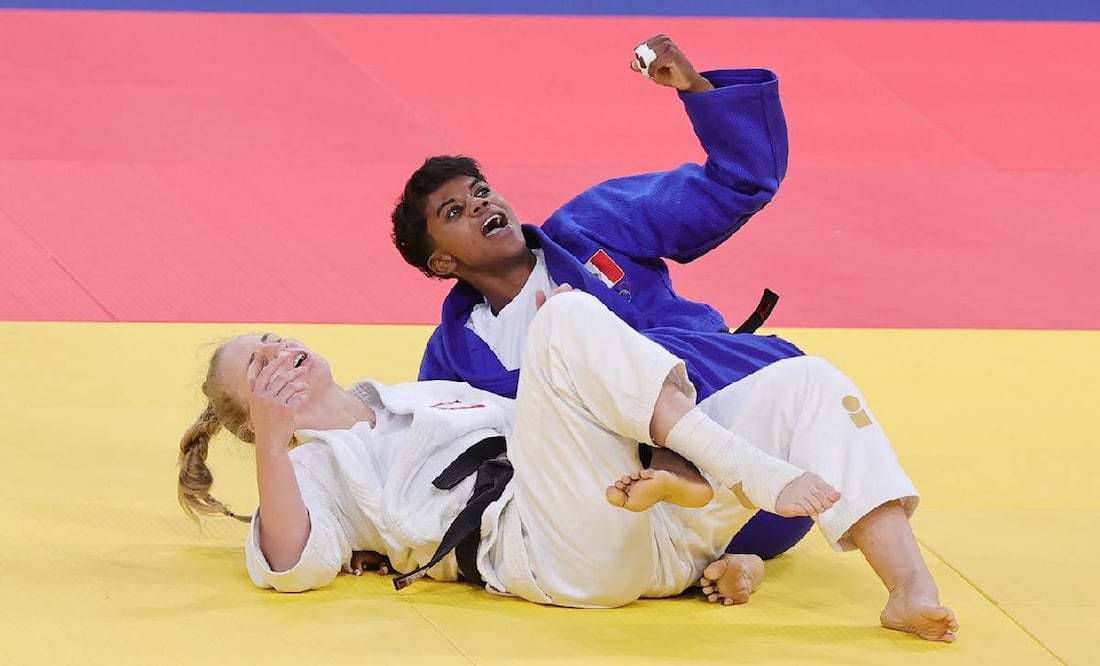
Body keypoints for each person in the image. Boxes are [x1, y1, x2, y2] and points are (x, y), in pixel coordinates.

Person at [177, 289, 959, 643]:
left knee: (807, 383)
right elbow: (289, 566)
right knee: (566, 319)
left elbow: (580, 427)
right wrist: (276, 447)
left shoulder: (422, 392)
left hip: (638, 523)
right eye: (259, 365)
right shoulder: (315, 471)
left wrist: (667, 475)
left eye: (273, 336)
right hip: (546, 552)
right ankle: (737, 467)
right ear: (250, 419)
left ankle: (908, 589)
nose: (279, 350)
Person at [391, 34, 812, 559]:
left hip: (750, 457)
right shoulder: (453, 357)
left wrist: (697, 88)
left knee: (646, 359)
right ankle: (721, 559)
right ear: (442, 263)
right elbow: (433, 457)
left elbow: (738, 182)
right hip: (630, 516)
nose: (478, 205)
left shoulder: (593, 228)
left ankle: (696, 494)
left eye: (479, 190)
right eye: (452, 213)